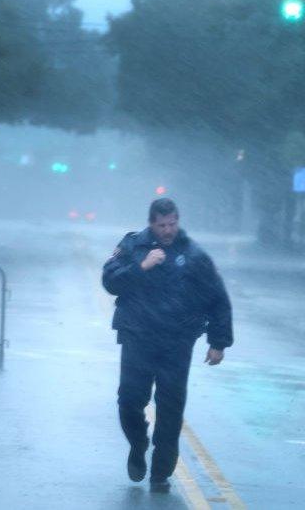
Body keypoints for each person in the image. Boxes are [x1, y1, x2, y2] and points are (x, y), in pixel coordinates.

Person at [102, 198, 233, 493]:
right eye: (162, 225)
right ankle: (138, 443)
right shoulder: (133, 247)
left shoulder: (194, 255)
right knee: (129, 401)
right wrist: (141, 267)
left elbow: (217, 298)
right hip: (138, 338)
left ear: (177, 221)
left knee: (170, 408)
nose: (168, 230)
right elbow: (110, 282)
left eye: (172, 224)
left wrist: (218, 341)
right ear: (151, 224)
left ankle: (160, 472)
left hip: (177, 342)